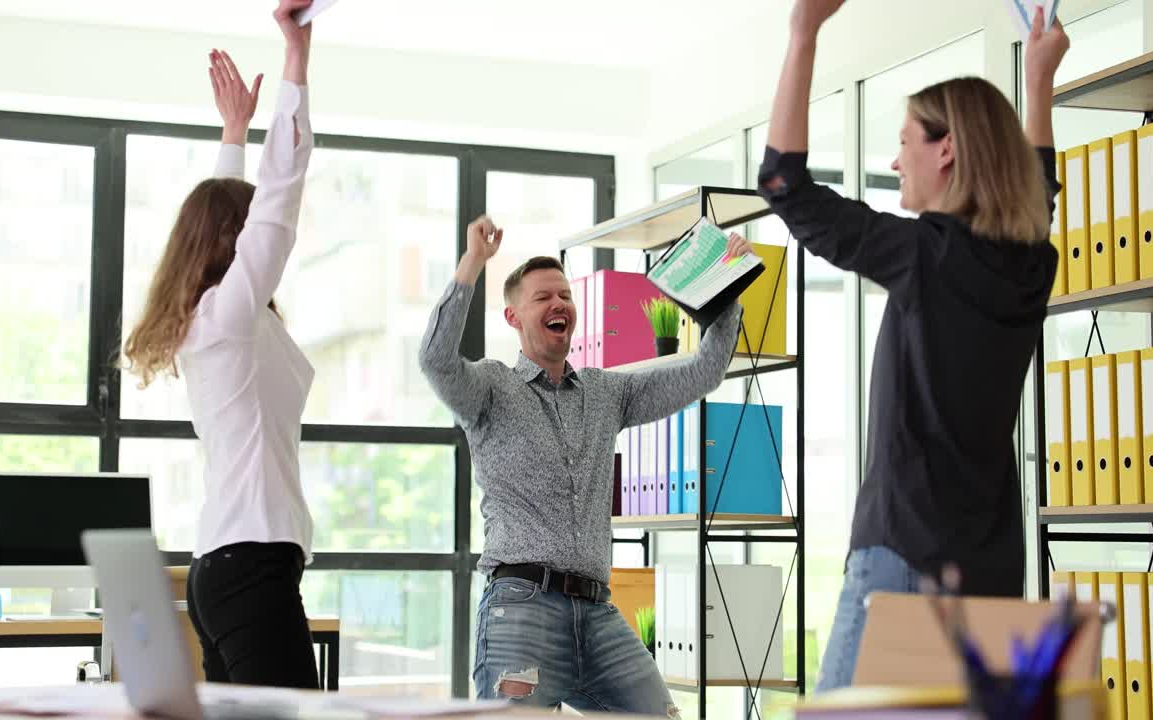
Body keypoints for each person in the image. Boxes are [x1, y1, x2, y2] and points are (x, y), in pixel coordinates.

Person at [756, 0, 1070, 691]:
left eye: (906, 142)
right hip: (991, 572)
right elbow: (1036, 192)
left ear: (947, 149)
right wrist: (1039, 83)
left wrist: (803, 32)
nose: (896, 160)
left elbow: (783, 184)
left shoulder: (925, 255)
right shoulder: (1029, 265)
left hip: (902, 556)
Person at [419, 216, 751, 715]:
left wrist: (726, 292)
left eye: (565, 297)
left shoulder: (607, 391)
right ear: (513, 318)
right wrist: (473, 263)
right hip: (522, 607)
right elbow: (436, 360)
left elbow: (705, 371)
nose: (559, 305)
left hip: (597, 613)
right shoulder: (490, 388)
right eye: (542, 298)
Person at [121, 0, 320, 688]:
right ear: (235, 244)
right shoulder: (229, 316)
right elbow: (278, 200)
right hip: (252, 566)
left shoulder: (208, 320)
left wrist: (233, 131)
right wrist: (297, 58)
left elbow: (230, 210)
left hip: (224, 570)